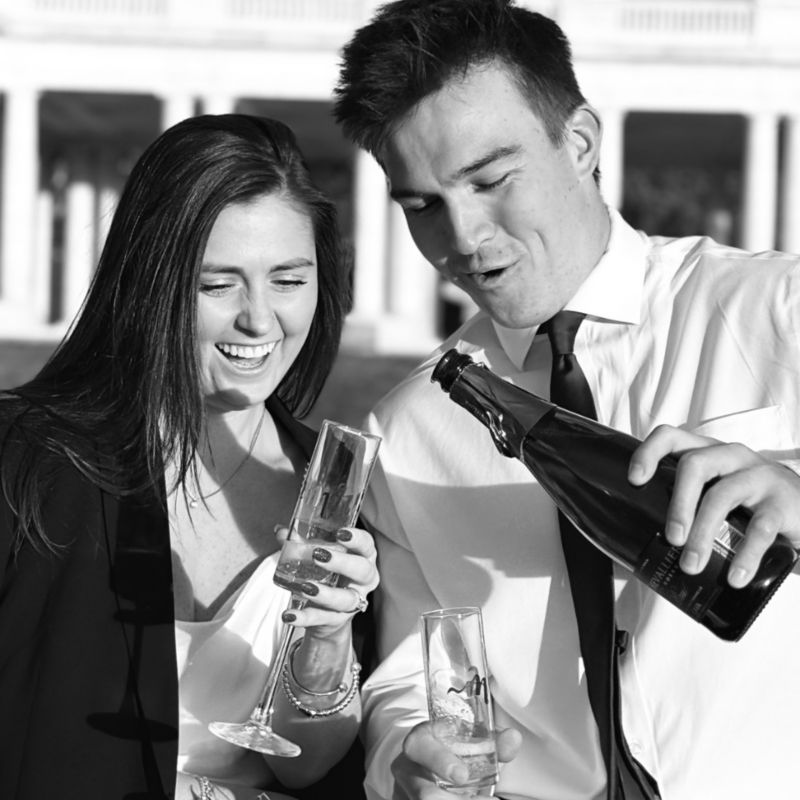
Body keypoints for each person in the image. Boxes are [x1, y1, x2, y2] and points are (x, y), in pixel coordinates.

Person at [333, 2, 800, 799]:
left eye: (490, 180)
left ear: (580, 142)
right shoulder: (407, 427)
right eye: (422, 206)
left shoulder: (777, 311)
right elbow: (410, 676)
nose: (464, 238)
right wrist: (405, 758)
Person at [0, 114, 378, 800]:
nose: (259, 319)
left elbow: (306, 766)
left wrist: (327, 638)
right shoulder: (27, 460)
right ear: (150, 284)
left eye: (288, 280)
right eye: (218, 284)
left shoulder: (333, 492)